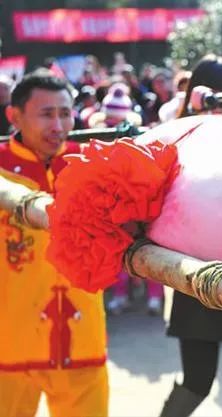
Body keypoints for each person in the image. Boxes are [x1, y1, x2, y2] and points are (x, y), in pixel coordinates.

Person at [0, 70, 108, 417]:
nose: (58, 125)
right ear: (14, 116)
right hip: (8, 343)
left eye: (65, 113)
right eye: (46, 114)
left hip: (82, 336)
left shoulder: (93, 165)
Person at [161, 54, 222, 417]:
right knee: (196, 382)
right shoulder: (177, 140)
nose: (217, 104)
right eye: (210, 95)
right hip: (193, 276)